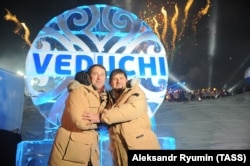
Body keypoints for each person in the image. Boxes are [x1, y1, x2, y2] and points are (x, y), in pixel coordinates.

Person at [83, 68, 160, 166]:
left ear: (126, 80)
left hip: (140, 145)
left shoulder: (136, 93)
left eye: (121, 78)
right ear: (110, 83)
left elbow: (131, 109)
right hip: (119, 149)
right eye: (115, 79)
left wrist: (101, 116)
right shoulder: (109, 99)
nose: (118, 81)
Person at [48, 64, 107, 166]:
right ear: (88, 76)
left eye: (102, 74)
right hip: (70, 153)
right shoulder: (79, 91)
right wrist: (103, 121)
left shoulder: (99, 95)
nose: (99, 77)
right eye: (95, 74)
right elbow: (81, 121)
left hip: (88, 151)